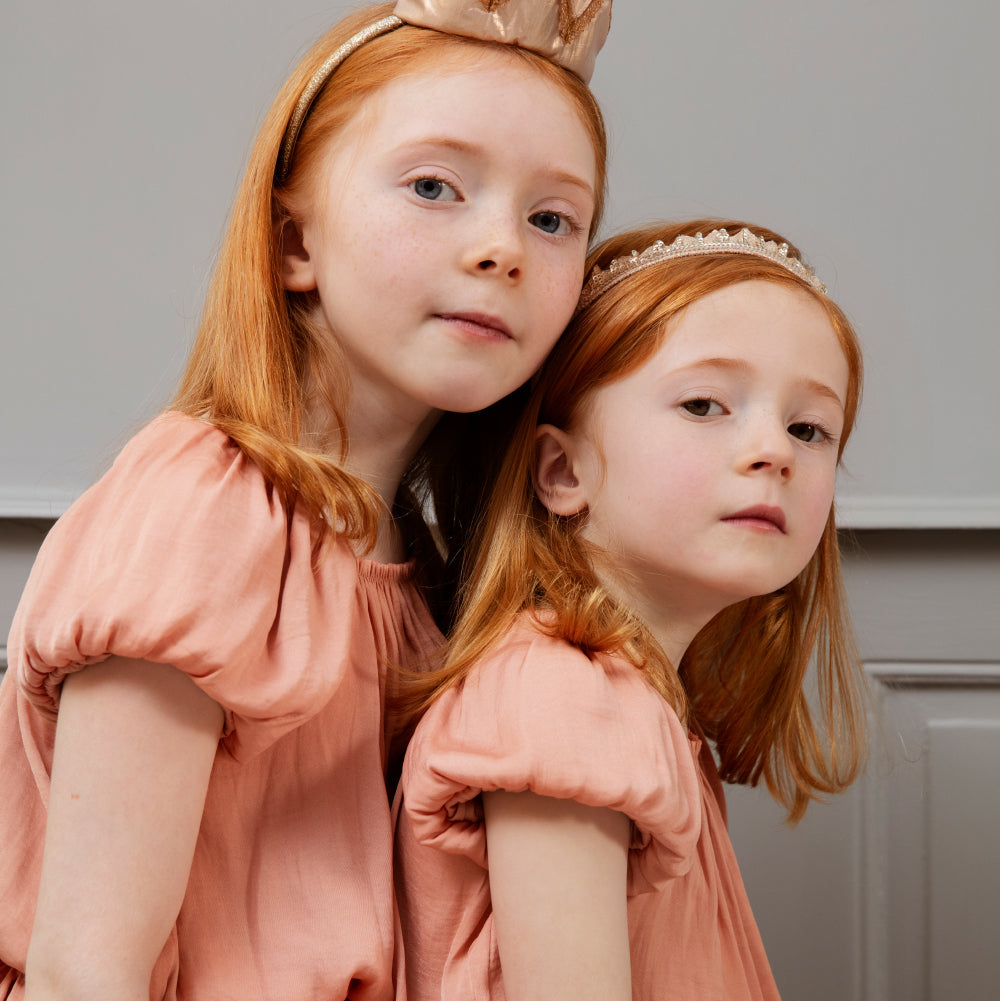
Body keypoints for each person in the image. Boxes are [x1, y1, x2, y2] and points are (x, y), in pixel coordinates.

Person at [0, 2, 612, 999]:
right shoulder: (205, 508)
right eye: (433, 187)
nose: (501, 246)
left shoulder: (423, 567)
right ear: (295, 242)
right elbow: (86, 971)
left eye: (551, 218)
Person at [393, 219, 869, 1001]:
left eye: (809, 427)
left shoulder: (635, 709)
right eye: (706, 404)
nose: (773, 450)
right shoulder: (561, 704)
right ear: (561, 469)